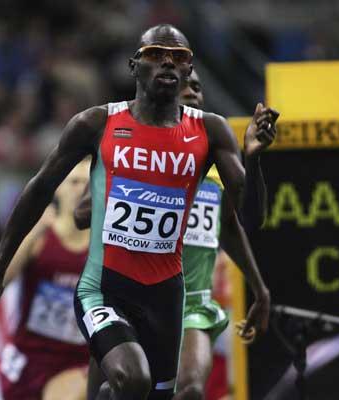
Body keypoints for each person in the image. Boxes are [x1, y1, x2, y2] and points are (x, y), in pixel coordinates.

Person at [0, 24, 277, 400]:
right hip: (104, 288)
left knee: (154, 393)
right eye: (156, 54)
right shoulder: (96, 123)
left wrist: (253, 160)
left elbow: (250, 220)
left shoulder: (211, 132)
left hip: (166, 295)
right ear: (134, 65)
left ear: (189, 70)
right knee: (133, 380)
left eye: (178, 57)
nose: (167, 61)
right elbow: (40, 190)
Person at [74, 68, 272, 400]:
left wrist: (259, 288)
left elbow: (230, 228)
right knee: (115, 389)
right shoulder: (140, 155)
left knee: (191, 389)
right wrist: (142, 192)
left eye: (197, 87)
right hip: (129, 294)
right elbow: (81, 215)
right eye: (185, 88)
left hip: (192, 302)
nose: (192, 92)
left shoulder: (217, 162)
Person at [0, 158, 91, 400]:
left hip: (76, 360)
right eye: (74, 182)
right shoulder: (40, 235)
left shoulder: (101, 245)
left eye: (88, 184)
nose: (80, 189)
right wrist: (33, 231)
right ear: (58, 187)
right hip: (28, 356)